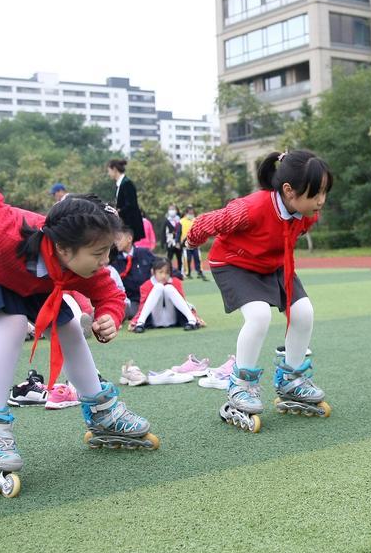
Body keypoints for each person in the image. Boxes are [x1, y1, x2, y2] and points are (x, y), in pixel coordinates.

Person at [0, 86, 158, 499]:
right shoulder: (0, 229)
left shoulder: (83, 262)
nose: (104, 262)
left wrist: (111, 316)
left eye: (106, 254)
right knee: (9, 324)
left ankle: (101, 411)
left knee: (71, 326)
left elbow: (108, 293)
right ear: (64, 248)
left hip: (32, 274)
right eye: (98, 254)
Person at [186, 150, 334, 433]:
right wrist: (192, 241)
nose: (321, 201)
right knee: (258, 316)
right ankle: (240, 387)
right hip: (235, 264)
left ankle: (292, 379)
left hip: (273, 264)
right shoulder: (250, 208)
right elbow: (208, 222)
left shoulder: (307, 214)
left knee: (304, 312)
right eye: (316, 193)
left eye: (325, 192)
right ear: (289, 191)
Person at [129, 257, 200, 332]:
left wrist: (196, 317)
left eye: (167, 273)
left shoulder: (176, 282)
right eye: (160, 272)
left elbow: (183, 302)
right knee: (158, 287)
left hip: (172, 318)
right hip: (155, 319)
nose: (164, 276)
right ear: (153, 272)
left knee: (168, 288)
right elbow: (142, 307)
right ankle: (140, 323)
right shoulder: (146, 285)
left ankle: (192, 321)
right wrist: (135, 321)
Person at [110, 226, 156, 319]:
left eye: (119, 238)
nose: (116, 242)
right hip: (130, 299)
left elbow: (161, 265)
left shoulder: (144, 253)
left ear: (129, 239)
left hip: (148, 296)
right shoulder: (113, 259)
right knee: (126, 311)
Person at [107, 158, 144, 240]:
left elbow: (131, 204)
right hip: (124, 223)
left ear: (114, 169)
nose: (108, 174)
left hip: (130, 224)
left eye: (109, 171)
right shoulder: (120, 185)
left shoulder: (127, 184)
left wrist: (118, 211)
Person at [180, 206, 207, 280]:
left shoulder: (196, 220)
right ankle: (187, 273)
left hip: (195, 243)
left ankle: (200, 272)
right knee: (187, 258)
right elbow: (179, 232)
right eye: (189, 213)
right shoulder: (181, 221)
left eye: (192, 213)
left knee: (197, 258)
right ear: (186, 213)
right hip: (185, 243)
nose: (191, 214)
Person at [163, 205, 183, 272]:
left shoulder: (179, 220)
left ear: (176, 210)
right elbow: (163, 232)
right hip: (170, 242)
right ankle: (169, 271)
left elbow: (181, 231)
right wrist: (163, 242)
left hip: (178, 242)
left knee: (179, 258)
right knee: (169, 258)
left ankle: (180, 271)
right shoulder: (166, 220)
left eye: (173, 209)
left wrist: (179, 241)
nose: (172, 211)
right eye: (170, 209)